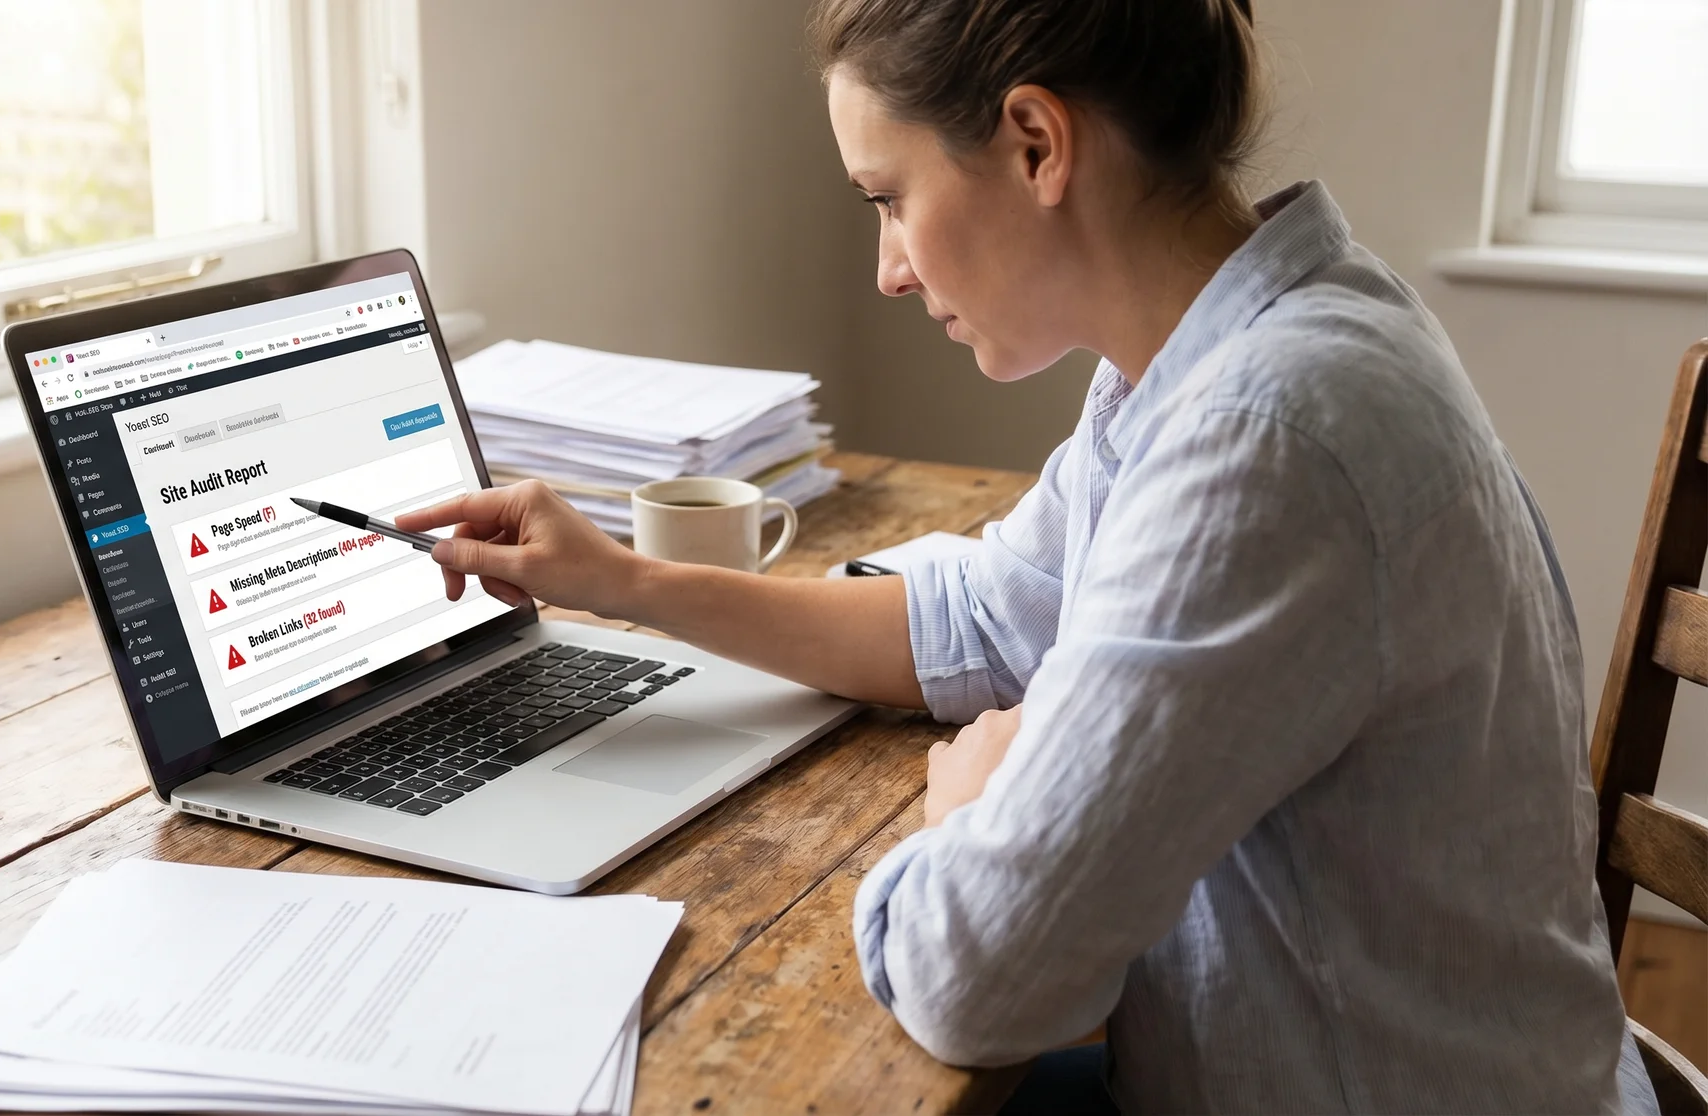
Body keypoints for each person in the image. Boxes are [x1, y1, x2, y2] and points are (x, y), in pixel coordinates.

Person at [397, 0, 1657, 1110]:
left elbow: (978, 977)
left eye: (889, 200)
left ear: (1035, 143)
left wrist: (961, 820)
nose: (886, 269)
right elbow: (995, 616)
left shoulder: (1265, 440)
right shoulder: (1231, 342)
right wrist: (626, 583)